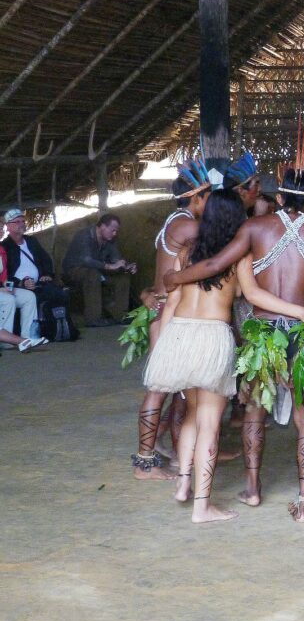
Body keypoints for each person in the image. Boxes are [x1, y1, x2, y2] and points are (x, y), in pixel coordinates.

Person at [165, 164, 304, 521]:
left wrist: (176, 278)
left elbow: (215, 263)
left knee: (255, 411)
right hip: (300, 331)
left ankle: (253, 489)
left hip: (262, 333)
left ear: (278, 197)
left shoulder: (255, 227)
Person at [130, 176, 208, 479]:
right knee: (160, 388)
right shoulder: (189, 226)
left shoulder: (172, 222)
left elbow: (162, 274)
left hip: (162, 307)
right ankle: (144, 462)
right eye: (208, 197)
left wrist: (147, 293)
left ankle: (171, 453)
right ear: (197, 197)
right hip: (170, 313)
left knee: (174, 390)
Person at [62, 213, 134, 327]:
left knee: (123, 277)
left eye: (116, 231)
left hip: (98, 270)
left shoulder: (110, 239)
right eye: (113, 230)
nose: (115, 233)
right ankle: (93, 319)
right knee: (92, 275)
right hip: (74, 271)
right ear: (102, 226)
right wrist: (109, 266)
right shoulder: (83, 235)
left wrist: (125, 266)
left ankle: (120, 315)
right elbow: (86, 260)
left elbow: (116, 258)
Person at [3, 208, 68, 311]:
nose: (22, 224)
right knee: (34, 300)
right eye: (17, 221)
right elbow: (4, 275)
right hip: (18, 287)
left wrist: (46, 274)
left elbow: (45, 259)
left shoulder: (31, 241)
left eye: (23, 221)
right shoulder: (4, 247)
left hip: (39, 284)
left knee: (60, 295)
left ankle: (63, 326)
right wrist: (21, 283)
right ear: (8, 226)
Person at [0, 245, 48, 352]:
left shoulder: (1, 249)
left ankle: (30, 336)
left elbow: (3, 276)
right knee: (8, 299)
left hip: (1, 289)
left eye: (2, 227)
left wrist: (8, 286)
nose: (1, 230)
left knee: (28, 296)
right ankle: (6, 341)